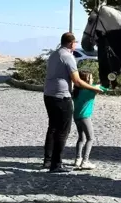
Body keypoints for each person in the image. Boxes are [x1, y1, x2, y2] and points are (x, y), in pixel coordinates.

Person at [43, 32, 102, 173]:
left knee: (52, 128)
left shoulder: (54, 54)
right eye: (75, 42)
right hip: (62, 97)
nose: (75, 45)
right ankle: (56, 164)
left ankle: (48, 160)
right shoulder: (68, 57)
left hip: (48, 95)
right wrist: (94, 88)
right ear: (71, 43)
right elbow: (77, 80)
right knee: (63, 130)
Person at [72, 71, 107, 170]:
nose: (92, 80)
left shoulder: (77, 90)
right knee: (90, 138)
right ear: (86, 80)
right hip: (85, 117)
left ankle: (78, 159)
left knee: (81, 138)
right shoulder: (91, 90)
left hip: (76, 116)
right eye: (91, 78)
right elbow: (106, 89)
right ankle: (85, 161)